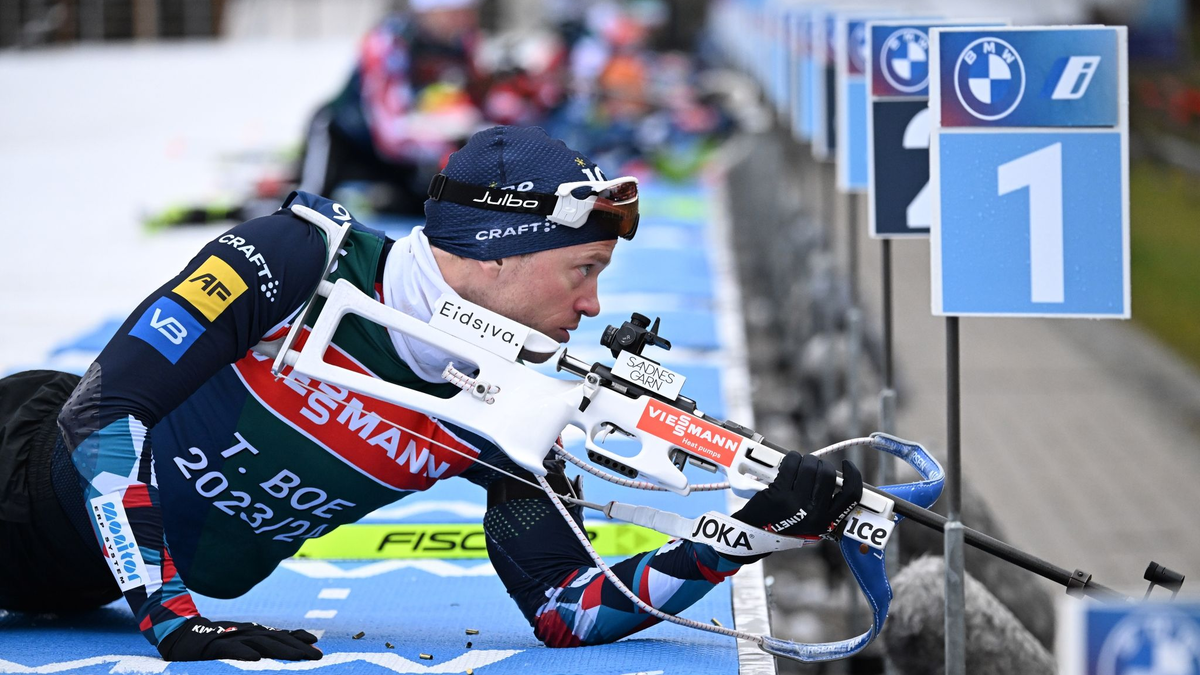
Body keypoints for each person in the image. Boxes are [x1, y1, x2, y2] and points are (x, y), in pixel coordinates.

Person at [0, 126, 862, 662]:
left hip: (79, 582)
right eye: (584, 270)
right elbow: (101, 418)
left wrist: (733, 536)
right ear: (497, 252)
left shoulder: (510, 398)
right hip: (16, 478)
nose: (593, 305)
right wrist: (170, 614)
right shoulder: (293, 258)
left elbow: (569, 610)